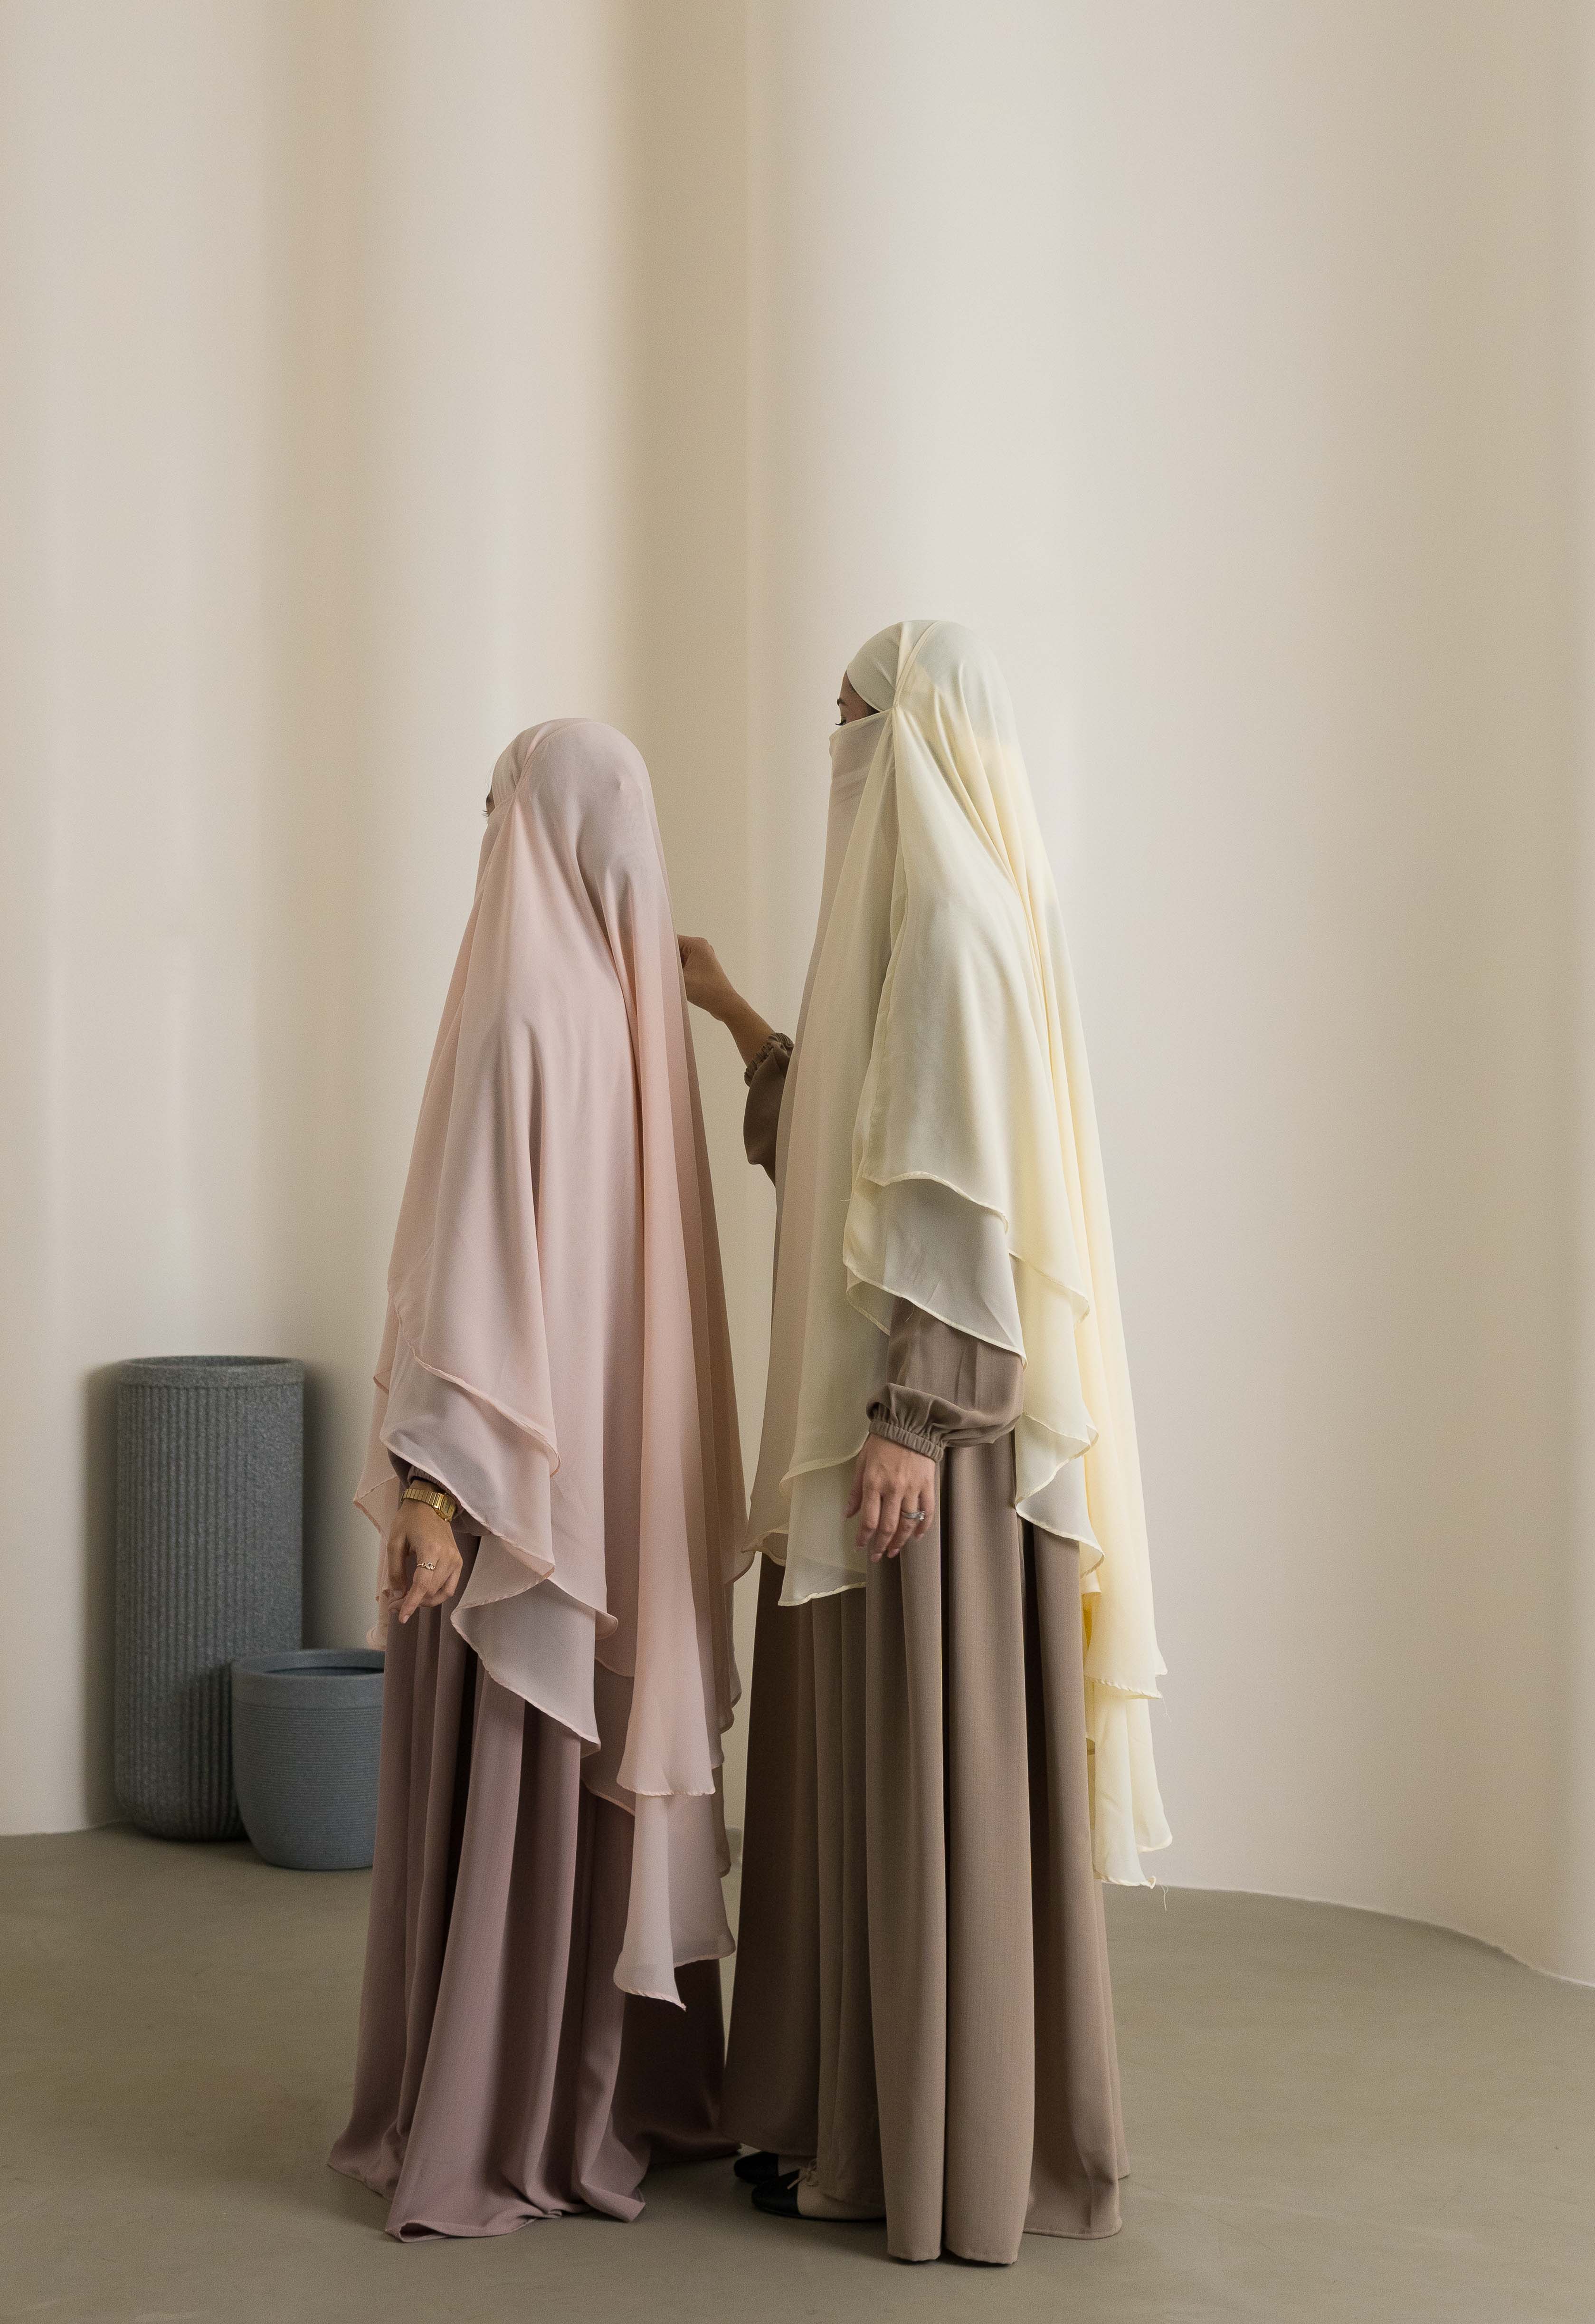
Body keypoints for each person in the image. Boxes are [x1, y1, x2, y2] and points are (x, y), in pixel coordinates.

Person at [680, 620, 1168, 2265]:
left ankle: (915, 2151)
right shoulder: (919, 923)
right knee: (864, 1783)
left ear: (907, 735)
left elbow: (963, 1209)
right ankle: (848, 2118)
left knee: (911, 1779)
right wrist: (735, 1012)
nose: (836, 753)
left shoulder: (953, 928)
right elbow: (854, 1153)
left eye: (851, 722)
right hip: (889, 1435)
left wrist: (911, 1418)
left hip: (922, 1461)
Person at [331, 719, 746, 2238]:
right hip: (596, 1513)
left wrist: (435, 1490)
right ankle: (598, 2095)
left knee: (510, 1780)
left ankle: (492, 2107)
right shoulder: (626, 1022)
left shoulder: (517, 1005)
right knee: (577, 1785)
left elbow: (470, 1273)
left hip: (510, 1515)